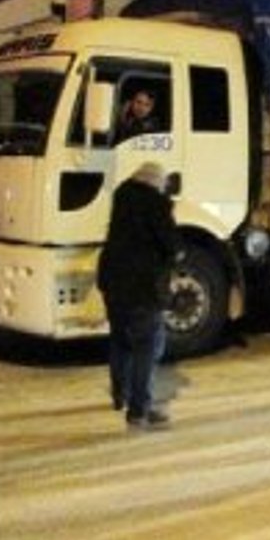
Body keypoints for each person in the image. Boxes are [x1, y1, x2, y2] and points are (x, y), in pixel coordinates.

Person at [96, 161, 182, 430]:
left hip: (112, 280)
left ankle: (119, 395)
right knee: (148, 347)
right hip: (143, 286)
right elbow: (173, 246)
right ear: (158, 183)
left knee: (120, 339)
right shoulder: (156, 205)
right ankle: (139, 410)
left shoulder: (121, 198)